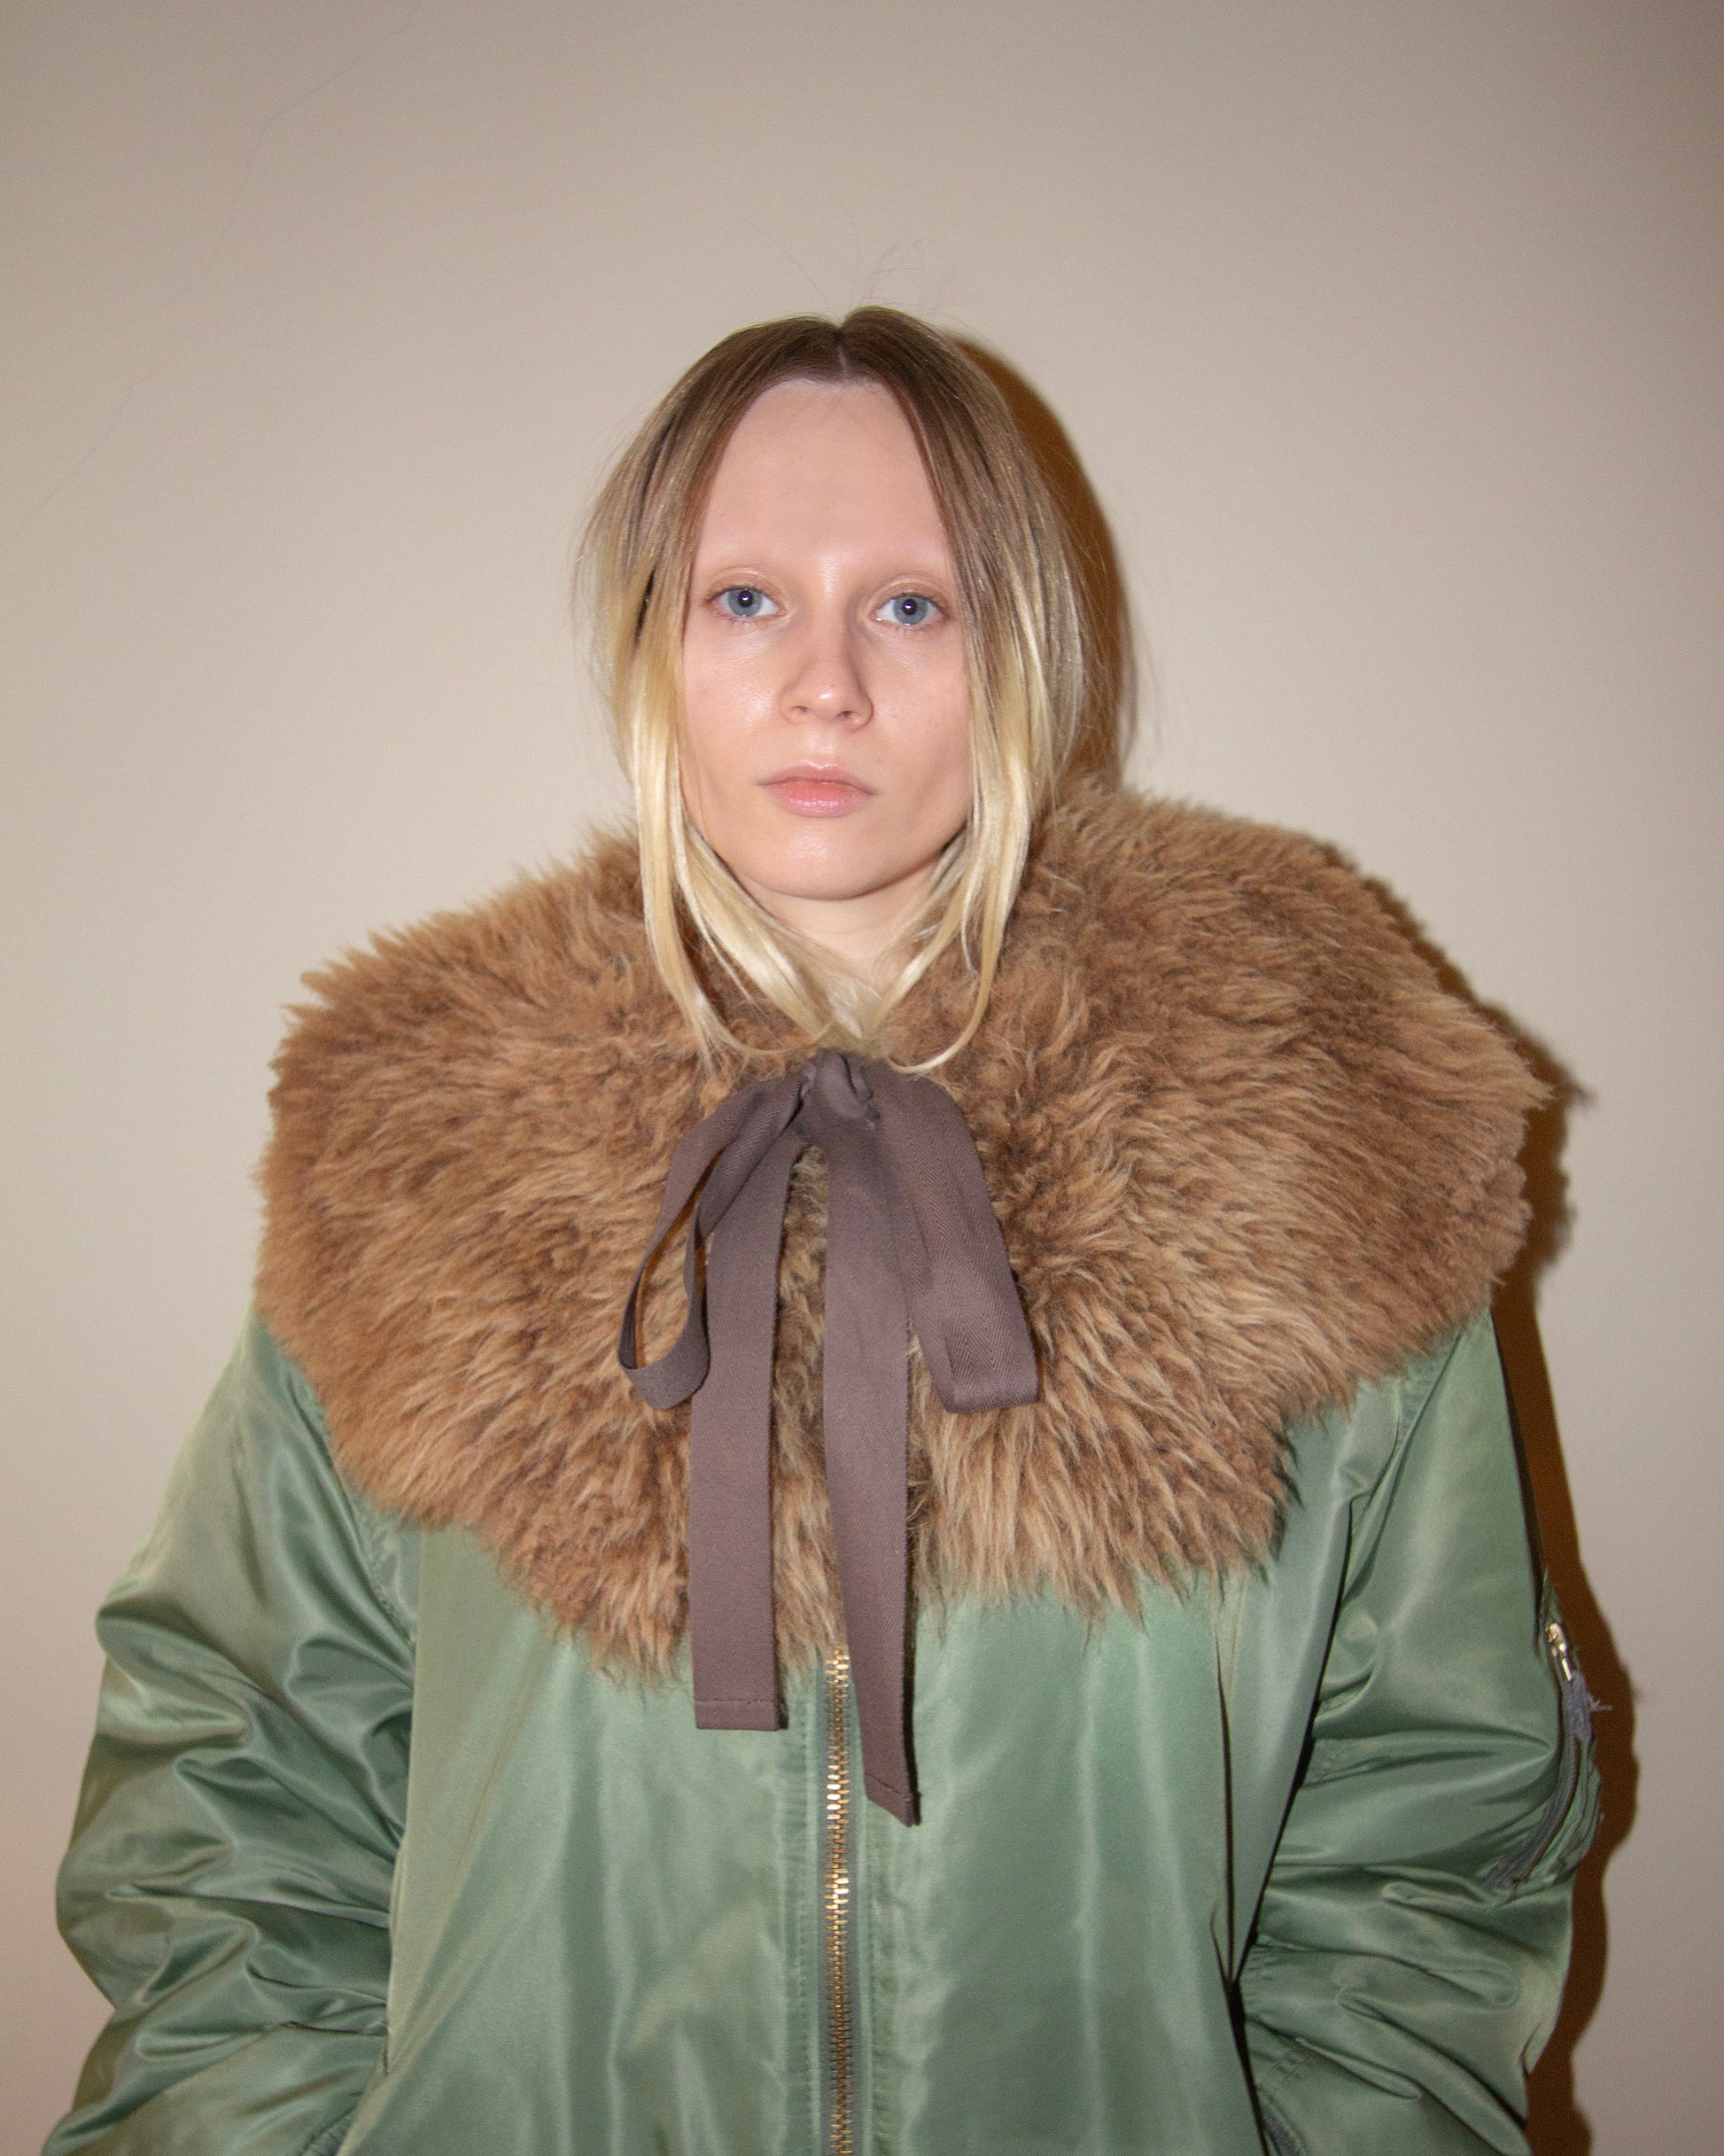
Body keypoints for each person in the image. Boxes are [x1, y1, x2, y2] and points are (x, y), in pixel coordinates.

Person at [45, 308, 1597, 2156]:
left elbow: (1432, 1809)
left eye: (912, 605)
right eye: (748, 599)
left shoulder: (1318, 1126)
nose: (826, 684)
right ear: (655, 644)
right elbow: (231, 1780)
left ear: (1020, 647)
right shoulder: (415, 1156)